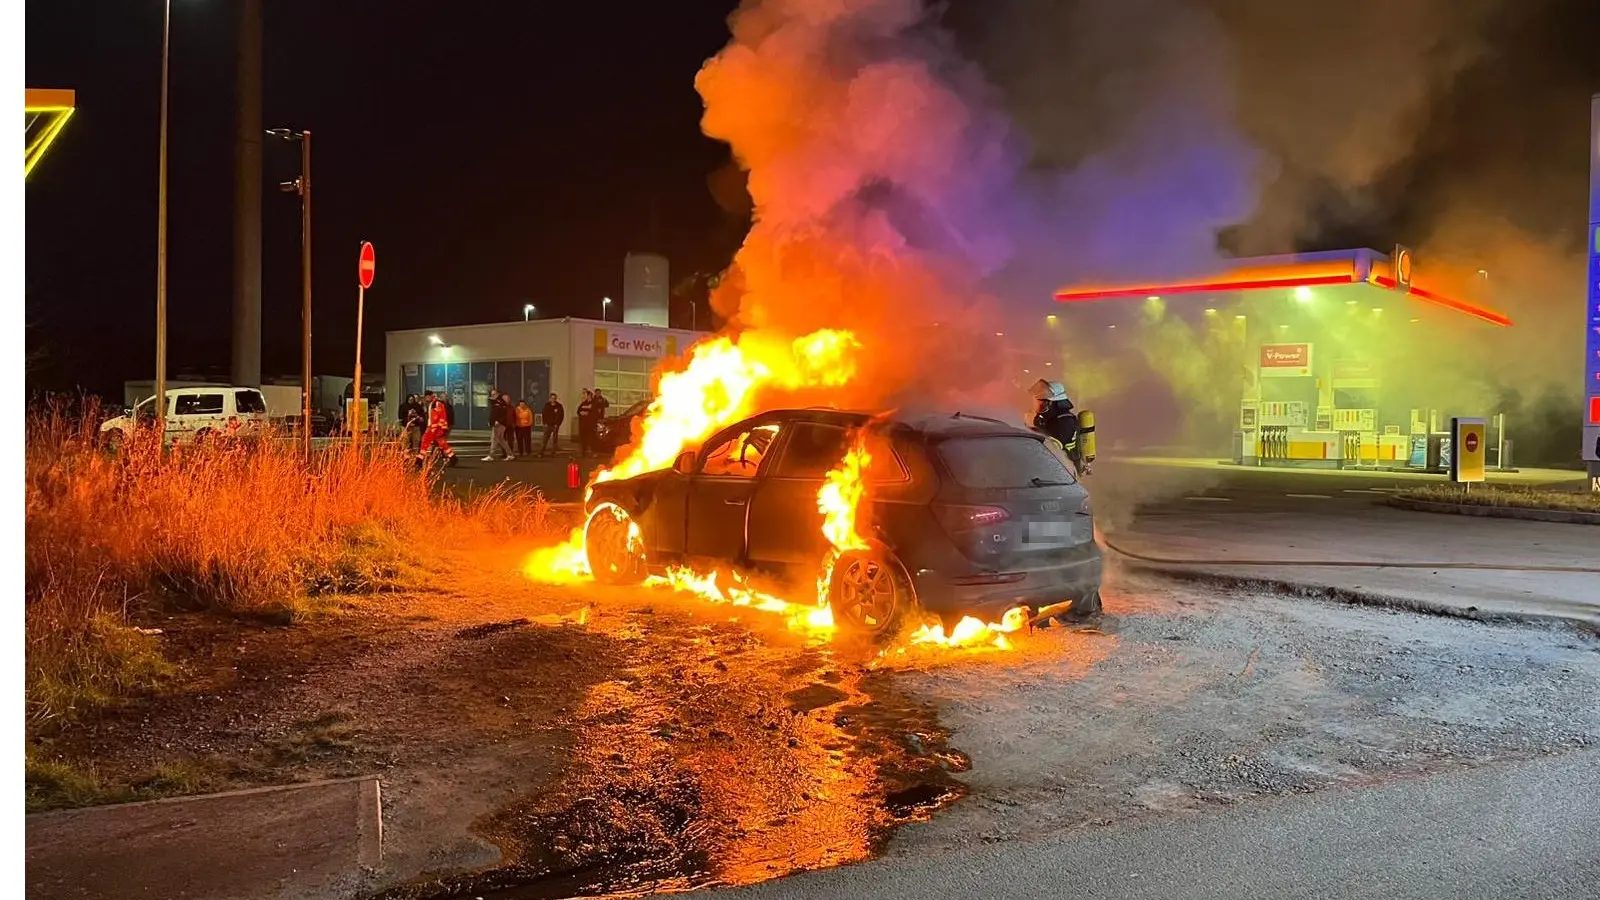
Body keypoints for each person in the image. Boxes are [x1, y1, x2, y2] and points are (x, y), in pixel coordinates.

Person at [1029, 379, 1086, 477]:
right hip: (1057, 468)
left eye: (1043, 404)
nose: (1039, 407)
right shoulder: (1053, 418)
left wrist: (1032, 431)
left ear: (1054, 403)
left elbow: (1052, 446)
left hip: (1065, 470)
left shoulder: (1064, 422)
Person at [417, 390, 457, 467]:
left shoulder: (436, 403)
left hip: (434, 428)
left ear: (429, 396)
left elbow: (440, 416)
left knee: (425, 441)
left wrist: (435, 427)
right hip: (436, 428)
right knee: (442, 444)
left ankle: (419, 460)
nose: (425, 399)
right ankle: (453, 457)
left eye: (426, 397)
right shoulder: (434, 403)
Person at [485, 388, 516, 461]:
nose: (493, 395)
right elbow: (493, 413)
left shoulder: (500, 403)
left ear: (498, 394)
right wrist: (490, 421)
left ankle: (491, 455)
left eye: (494, 394)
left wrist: (498, 421)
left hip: (500, 424)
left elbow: (502, 414)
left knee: (495, 439)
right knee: (501, 439)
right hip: (497, 423)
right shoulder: (495, 402)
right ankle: (510, 454)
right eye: (492, 394)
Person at [540, 392, 565, 457]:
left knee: (554, 440)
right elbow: (543, 414)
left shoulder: (559, 406)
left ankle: (553, 453)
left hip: (555, 426)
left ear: (556, 399)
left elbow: (561, 416)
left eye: (554, 398)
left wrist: (558, 424)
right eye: (552, 398)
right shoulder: (547, 405)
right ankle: (541, 452)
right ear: (550, 399)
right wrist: (544, 423)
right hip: (547, 425)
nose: (553, 399)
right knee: (545, 439)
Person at [575, 389, 596, 458]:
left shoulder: (594, 403)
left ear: (589, 395)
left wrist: (587, 414)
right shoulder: (583, 403)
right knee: (583, 439)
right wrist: (582, 413)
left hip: (590, 425)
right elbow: (578, 411)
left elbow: (594, 414)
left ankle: (592, 452)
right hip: (583, 425)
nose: (584, 396)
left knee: (591, 439)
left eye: (586, 394)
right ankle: (583, 452)